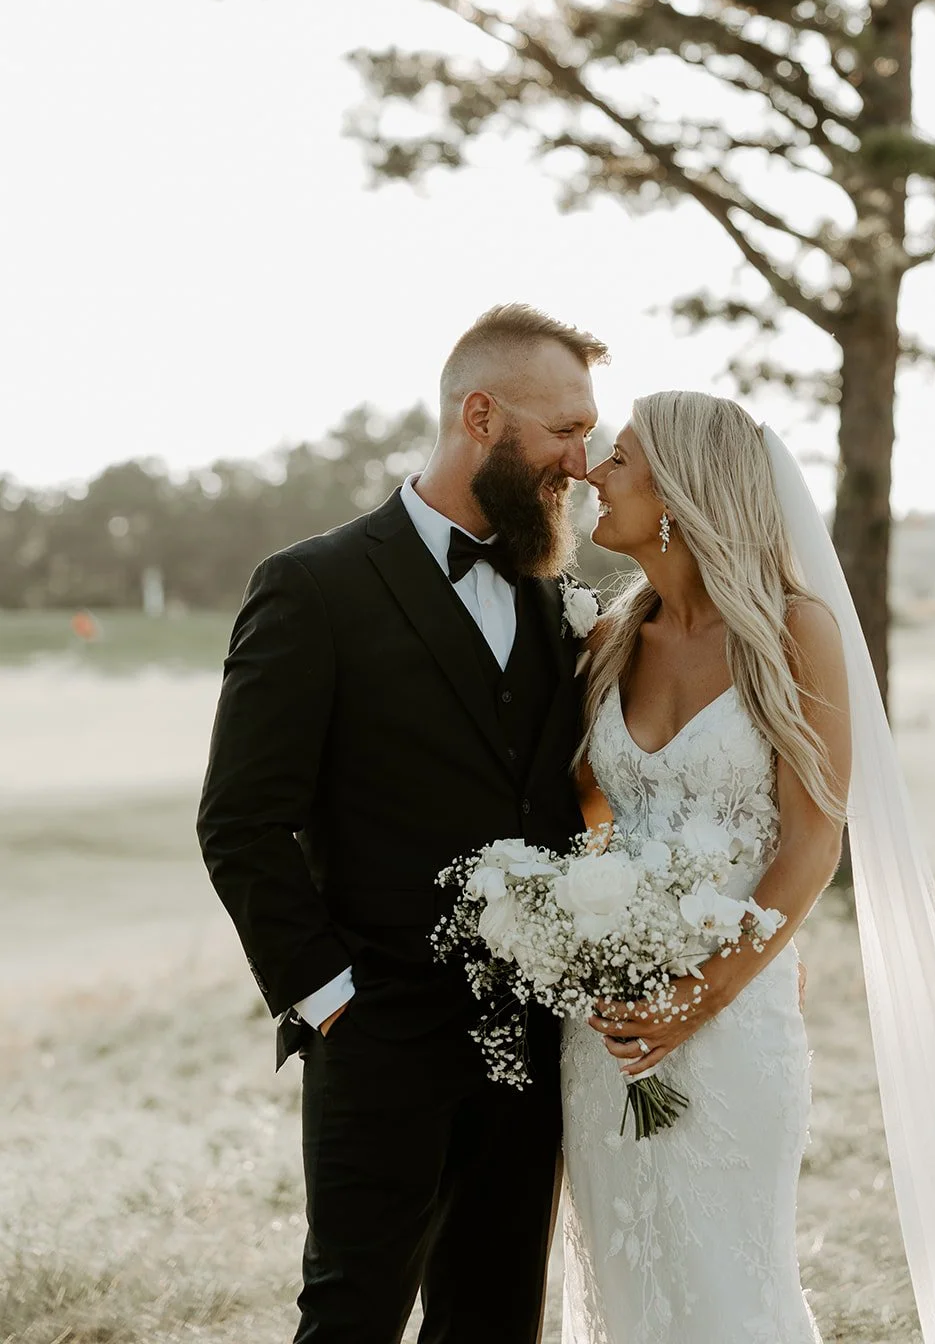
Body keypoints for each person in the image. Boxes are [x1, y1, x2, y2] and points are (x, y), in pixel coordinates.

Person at [196, 303, 606, 1344]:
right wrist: (335, 1003)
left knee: (495, 1322)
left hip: (526, 1048)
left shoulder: (556, 602)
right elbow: (241, 820)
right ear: (480, 414)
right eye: (563, 429)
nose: (582, 459)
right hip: (377, 1042)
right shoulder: (313, 586)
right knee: (351, 1319)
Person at [562, 391, 850, 1343]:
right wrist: (590, 927)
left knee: (730, 1285)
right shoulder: (607, 641)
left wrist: (704, 992)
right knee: (624, 1276)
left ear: (678, 494)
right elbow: (590, 812)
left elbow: (813, 840)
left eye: (621, 460)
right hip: (610, 1027)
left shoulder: (791, 630)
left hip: (732, 1020)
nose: (593, 474)